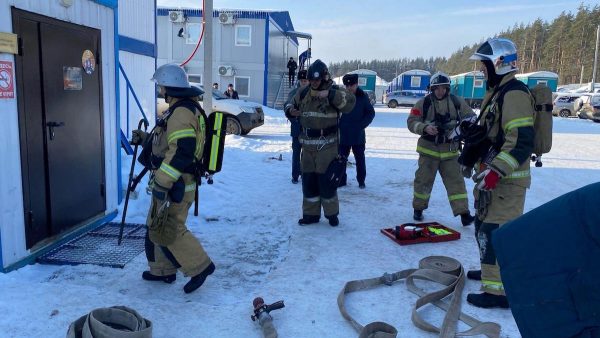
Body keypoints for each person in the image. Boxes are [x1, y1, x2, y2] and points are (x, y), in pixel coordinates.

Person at [460, 37, 535, 309]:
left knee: (496, 232)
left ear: (499, 64)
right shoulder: (498, 92)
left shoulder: (514, 93)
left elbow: (522, 141)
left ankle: (498, 292)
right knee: (483, 228)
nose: (482, 71)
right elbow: (495, 134)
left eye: (484, 66)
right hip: (491, 178)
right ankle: (490, 273)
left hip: (506, 181)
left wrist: (496, 171)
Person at [131, 63, 215, 294]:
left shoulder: (181, 113)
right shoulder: (181, 110)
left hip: (176, 183)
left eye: (161, 86)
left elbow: (182, 151)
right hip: (173, 181)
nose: (159, 91)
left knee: (171, 228)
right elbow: (170, 142)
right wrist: (147, 138)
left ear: (169, 87)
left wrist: (162, 182)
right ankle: (162, 271)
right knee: (156, 225)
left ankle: (201, 267)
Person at [287, 59, 356, 226]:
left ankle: (332, 214)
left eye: (317, 80)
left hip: (327, 146)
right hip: (307, 146)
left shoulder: (335, 92)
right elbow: (289, 103)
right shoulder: (304, 93)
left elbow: (350, 103)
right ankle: (311, 215)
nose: (314, 83)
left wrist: (330, 95)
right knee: (309, 182)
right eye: (311, 80)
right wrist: (290, 110)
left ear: (325, 78)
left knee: (327, 183)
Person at [407, 71, 476, 226]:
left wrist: (461, 128)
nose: (440, 91)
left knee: (456, 183)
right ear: (432, 89)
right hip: (428, 151)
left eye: (444, 88)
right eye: (437, 88)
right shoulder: (423, 103)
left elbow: (471, 117)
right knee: (423, 181)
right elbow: (411, 121)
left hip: (450, 152)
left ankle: (464, 214)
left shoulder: (457, 102)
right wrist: (425, 128)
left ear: (447, 88)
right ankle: (418, 209)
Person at [338, 73, 375, 189]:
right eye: (347, 86)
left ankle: (361, 181)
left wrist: (361, 125)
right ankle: (341, 180)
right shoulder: (340, 96)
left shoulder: (362, 97)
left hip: (358, 135)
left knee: (360, 159)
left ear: (356, 84)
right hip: (343, 134)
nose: (349, 88)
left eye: (352, 85)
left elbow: (370, 113)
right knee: (341, 159)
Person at [284, 69, 309, 184]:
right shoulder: (293, 93)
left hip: (309, 131)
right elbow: (287, 109)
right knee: (296, 154)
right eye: (303, 80)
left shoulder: (312, 93)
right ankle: (295, 176)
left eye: (306, 80)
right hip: (296, 129)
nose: (304, 82)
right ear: (299, 81)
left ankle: (304, 175)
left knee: (306, 155)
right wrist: (294, 119)